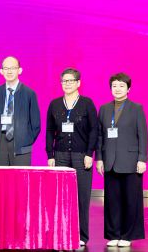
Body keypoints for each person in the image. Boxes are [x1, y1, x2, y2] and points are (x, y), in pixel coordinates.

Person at [46, 68, 97, 247]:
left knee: (82, 196)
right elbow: (50, 131)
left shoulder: (87, 103)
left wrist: (90, 154)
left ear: (78, 83)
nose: (67, 84)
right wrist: (50, 155)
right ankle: (62, 232)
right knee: (59, 196)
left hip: (81, 156)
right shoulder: (54, 104)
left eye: (70, 81)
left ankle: (82, 235)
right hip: (60, 155)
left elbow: (94, 130)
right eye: (64, 81)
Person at [96, 73, 148, 248]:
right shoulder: (104, 109)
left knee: (131, 200)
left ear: (128, 89)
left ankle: (127, 235)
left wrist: (142, 159)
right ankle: (113, 234)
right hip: (109, 161)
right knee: (112, 200)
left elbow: (143, 135)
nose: (117, 89)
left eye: (121, 86)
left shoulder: (136, 108)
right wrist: (99, 159)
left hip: (131, 161)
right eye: (114, 86)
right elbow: (100, 136)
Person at [0, 56, 40, 166]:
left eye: (13, 68)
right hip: (0, 142)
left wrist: (26, 140)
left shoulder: (29, 93)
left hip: (21, 143)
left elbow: (36, 123)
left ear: (19, 70)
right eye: (6, 68)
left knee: (20, 176)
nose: (9, 71)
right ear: (1, 71)